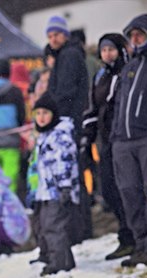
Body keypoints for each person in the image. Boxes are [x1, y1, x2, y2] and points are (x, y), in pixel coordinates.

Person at [110, 14, 147, 267]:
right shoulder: (129, 67)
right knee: (129, 194)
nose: (137, 39)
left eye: (141, 34)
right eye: (133, 35)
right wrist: (115, 136)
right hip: (123, 141)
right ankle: (141, 244)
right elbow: (119, 104)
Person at [82, 33, 135, 260]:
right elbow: (94, 107)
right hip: (106, 140)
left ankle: (136, 237)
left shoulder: (128, 72)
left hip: (125, 137)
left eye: (111, 49)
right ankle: (126, 235)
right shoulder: (101, 75)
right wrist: (87, 136)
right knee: (109, 191)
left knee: (129, 190)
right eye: (104, 50)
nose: (107, 54)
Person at [45, 15, 92, 244]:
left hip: (68, 123)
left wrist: (50, 113)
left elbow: (64, 92)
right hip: (66, 122)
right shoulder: (64, 55)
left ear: (64, 34)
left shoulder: (70, 55)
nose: (52, 39)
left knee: (71, 178)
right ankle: (79, 228)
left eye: (55, 34)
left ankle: (80, 229)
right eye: (50, 35)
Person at [32, 93, 80, 276]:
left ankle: (59, 263)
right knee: (45, 226)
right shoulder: (45, 135)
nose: (41, 117)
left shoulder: (60, 135)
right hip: (46, 191)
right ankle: (64, 260)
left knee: (54, 226)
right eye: (38, 113)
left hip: (58, 190)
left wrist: (65, 187)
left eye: (45, 113)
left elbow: (63, 163)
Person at [0, 58, 26, 193]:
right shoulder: (15, 91)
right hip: (10, 141)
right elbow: (21, 116)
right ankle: (8, 205)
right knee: (10, 178)